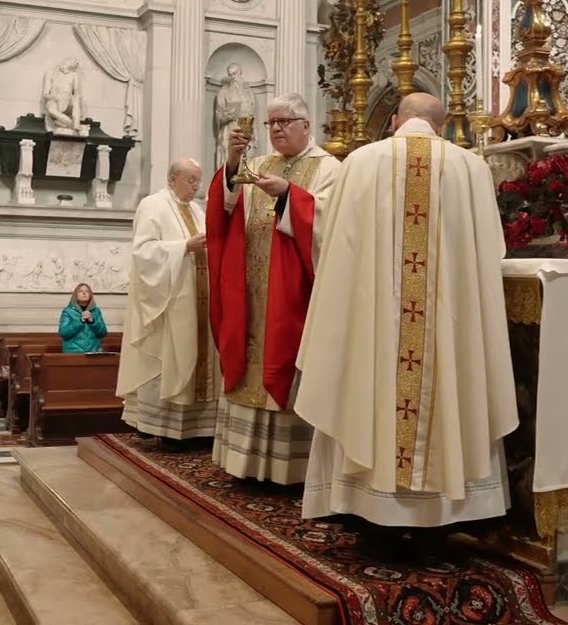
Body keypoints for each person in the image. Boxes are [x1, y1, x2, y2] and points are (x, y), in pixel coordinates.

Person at [294, 93, 518, 545]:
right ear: (444, 124)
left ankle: (370, 508)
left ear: (394, 121)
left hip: (375, 326)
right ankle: (444, 516)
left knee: (366, 388)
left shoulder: (361, 162)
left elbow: (335, 251)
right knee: (453, 386)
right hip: (447, 332)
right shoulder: (472, 167)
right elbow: (492, 253)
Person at [206, 93, 342, 485]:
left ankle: (290, 469)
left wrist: (289, 195)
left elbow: (333, 222)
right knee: (245, 358)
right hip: (249, 290)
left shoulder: (329, 168)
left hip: (294, 293)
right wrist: (232, 164)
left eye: (286, 121)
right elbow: (226, 210)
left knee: (284, 359)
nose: (278, 128)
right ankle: (243, 463)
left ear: (306, 125)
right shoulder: (259, 164)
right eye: (272, 123)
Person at [117, 158, 219, 448]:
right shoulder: (153, 205)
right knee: (168, 360)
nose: (196, 186)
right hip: (168, 304)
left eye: (198, 180)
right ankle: (162, 425)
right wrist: (184, 247)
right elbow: (143, 252)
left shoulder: (197, 211)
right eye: (190, 179)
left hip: (197, 303)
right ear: (173, 178)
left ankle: (198, 427)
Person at [59, 283, 108, 353]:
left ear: (90, 295)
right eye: (80, 291)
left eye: (87, 291)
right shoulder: (68, 311)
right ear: (75, 295)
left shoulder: (96, 311)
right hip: (73, 353)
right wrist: (80, 321)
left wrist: (92, 321)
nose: (84, 293)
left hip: (93, 352)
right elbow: (63, 333)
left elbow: (103, 333)